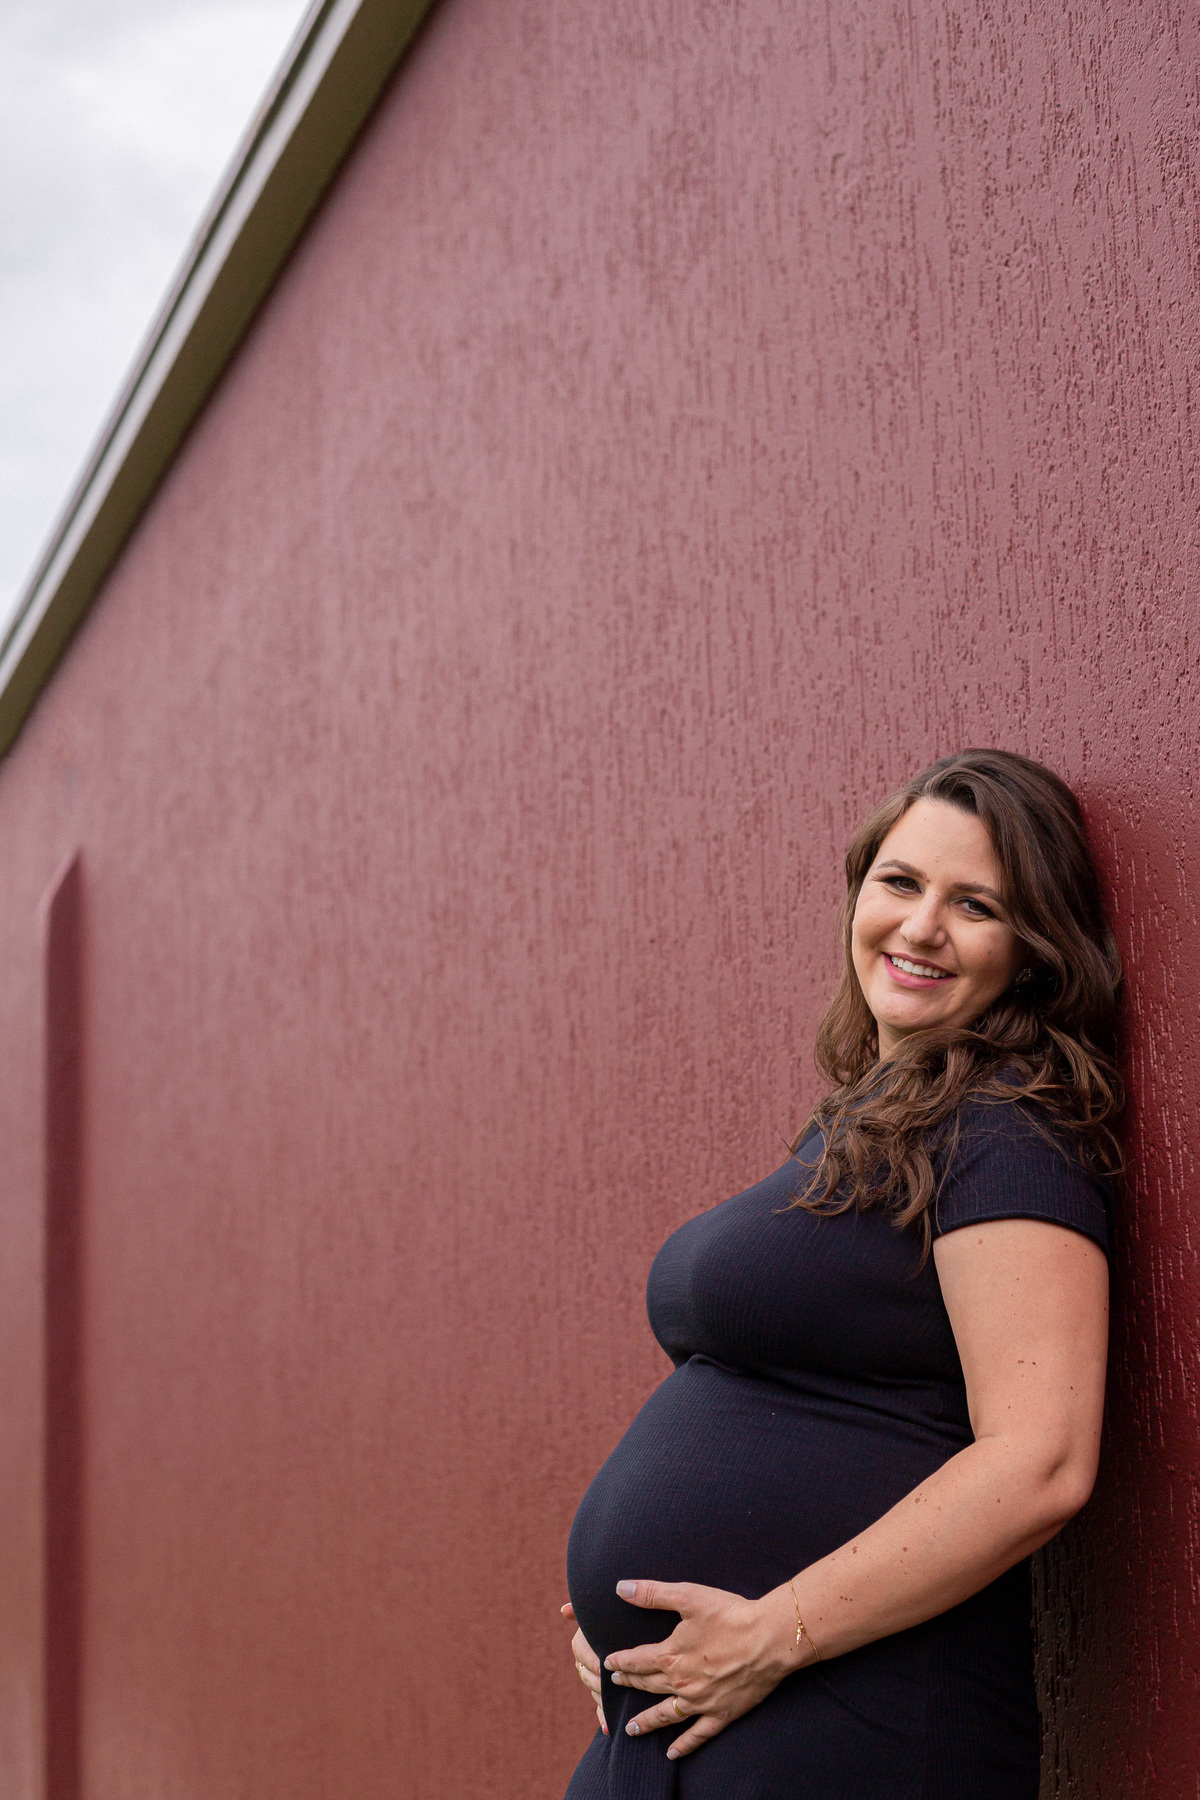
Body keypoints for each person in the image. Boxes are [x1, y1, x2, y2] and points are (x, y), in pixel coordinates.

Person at [559, 749, 1122, 1799]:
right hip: (693, 1721)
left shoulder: (1005, 1132)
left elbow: (1043, 1458)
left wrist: (773, 1631)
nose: (919, 927)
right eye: (900, 882)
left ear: (1033, 952)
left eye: (976, 905)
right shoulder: (870, 1130)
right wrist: (623, 1626)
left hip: (845, 1717)